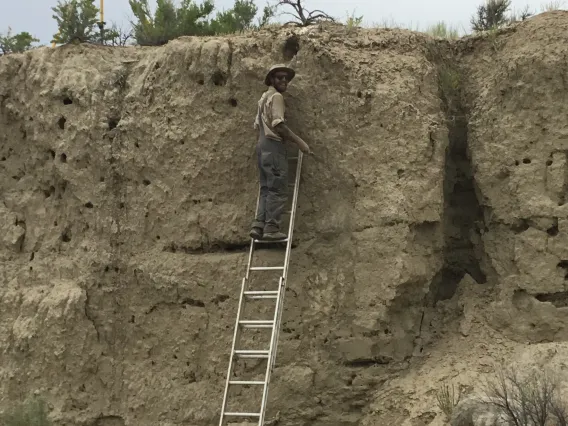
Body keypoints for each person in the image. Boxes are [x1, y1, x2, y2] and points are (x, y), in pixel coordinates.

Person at [249, 64, 311, 241]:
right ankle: (271, 228)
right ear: (271, 80)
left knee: (266, 188)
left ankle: (258, 224)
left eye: (286, 78)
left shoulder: (263, 98)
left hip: (261, 146)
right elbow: (279, 125)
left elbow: (256, 126)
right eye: (279, 77)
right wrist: (300, 143)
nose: (284, 80)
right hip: (273, 146)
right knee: (277, 188)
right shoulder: (276, 97)